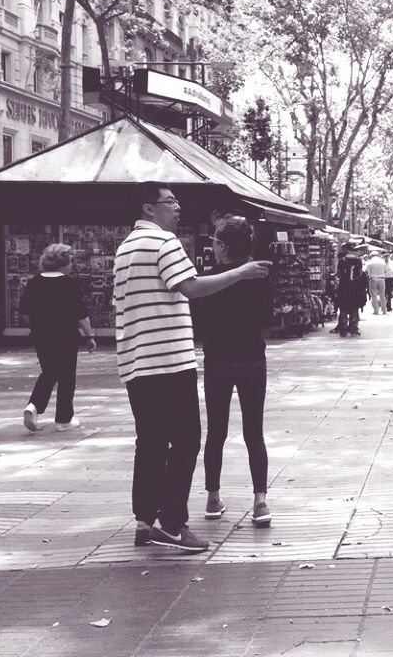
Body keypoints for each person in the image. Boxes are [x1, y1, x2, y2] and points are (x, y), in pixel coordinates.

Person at [113, 181, 270, 553]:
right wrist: (240, 273)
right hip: (168, 358)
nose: (177, 207)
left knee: (149, 442)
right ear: (149, 209)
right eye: (170, 202)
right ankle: (171, 522)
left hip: (136, 359)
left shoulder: (125, 248)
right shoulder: (165, 243)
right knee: (185, 441)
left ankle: (143, 520)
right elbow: (192, 287)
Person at [193, 217, 273, 527]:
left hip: (218, 361)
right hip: (252, 359)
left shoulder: (208, 279)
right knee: (255, 433)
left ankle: (213, 498)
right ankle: (260, 502)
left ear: (223, 247)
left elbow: (198, 324)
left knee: (215, 433)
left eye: (214, 241)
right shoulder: (259, 277)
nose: (211, 245)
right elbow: (267, 317)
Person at [19, 243, 95, 432]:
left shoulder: (35, 282)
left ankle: (34, 404)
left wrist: (38, 324)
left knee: (49, 370)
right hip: (66, 334)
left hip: (41, 334)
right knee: (67, 376)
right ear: (64, 262)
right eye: (71, 260)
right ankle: (63, 418)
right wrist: (89, 335)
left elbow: (24, 312)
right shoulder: (69, 283)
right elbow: (81, 314)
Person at [333, 247, 368, 336]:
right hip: (355, 289)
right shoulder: (358, 261)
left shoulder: (342, 261)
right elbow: (360, 274)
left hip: (344, 288)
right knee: (354, 308)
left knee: (343, 308)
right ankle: (353, 328)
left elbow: (339, 274)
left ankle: (343, 329)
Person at [365, 249, 389, 315]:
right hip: (381, 279)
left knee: (374, 295)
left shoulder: (370, 262)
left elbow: (366, 271)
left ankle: (376, 310)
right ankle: (384, 310)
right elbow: (385, 270)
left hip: (373, 279)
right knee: (382, 295)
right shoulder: (382, 261)